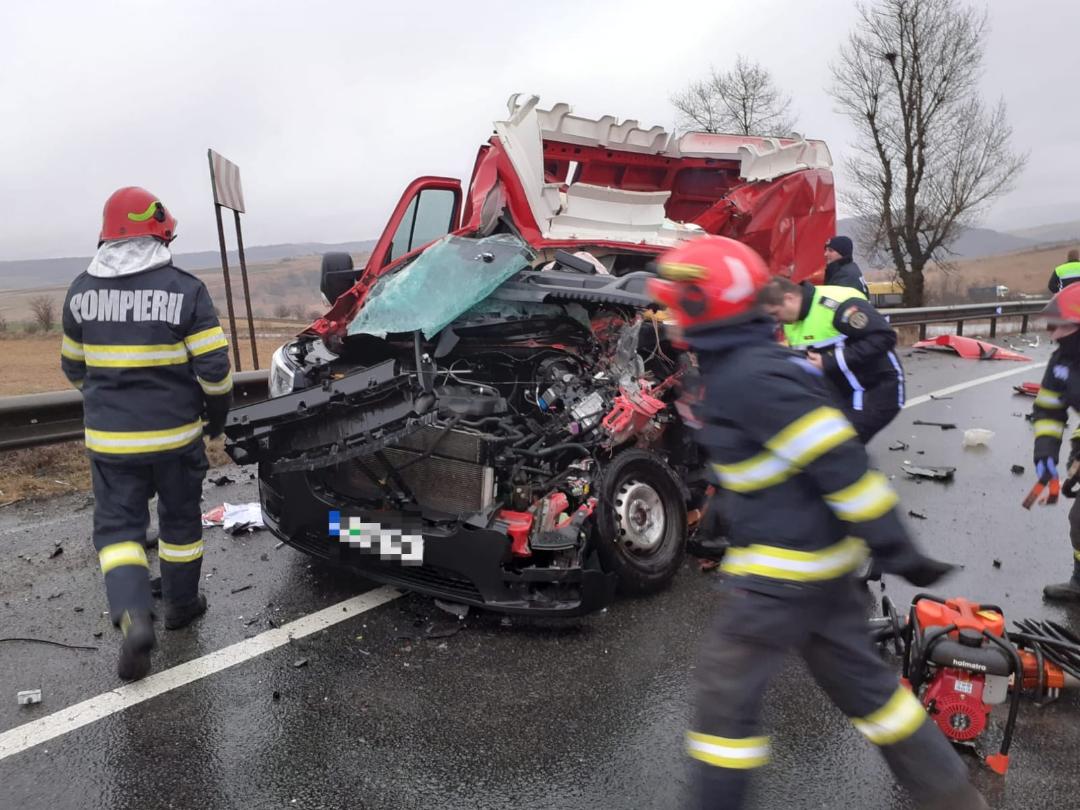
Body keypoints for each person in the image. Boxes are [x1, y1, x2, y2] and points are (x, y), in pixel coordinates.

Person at [646, 236, 985, 810]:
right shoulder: (745, 365)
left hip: (782, 576)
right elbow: (771, 466)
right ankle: (953, 798)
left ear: (708, 304)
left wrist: (898, 549)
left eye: (681, 298)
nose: (672, 311)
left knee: (723, 708)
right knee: (877, 698)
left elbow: (840, 465)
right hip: (821, 570)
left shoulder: (748, 375)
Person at [61, 187, 233, 680]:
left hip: (111, 444)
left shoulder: (80, 291)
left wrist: (108, 398)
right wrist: (215, 419)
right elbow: (216, 371)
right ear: (160, 230)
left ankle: (135, 616)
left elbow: (74, 368)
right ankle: (181, 606)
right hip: (177, 438)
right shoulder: (185, 289)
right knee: (180, 525)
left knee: (118, 533)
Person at [758, 276, 904, 443]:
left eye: (775, 313)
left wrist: (829, 361)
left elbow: (884, 336)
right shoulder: (792, 320)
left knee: (843, 446)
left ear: (789, 298)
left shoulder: (837, 305)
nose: (776, 320)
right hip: (841, 393)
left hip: (877, 387)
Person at [1029, 283, 1080, 601]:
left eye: (1059, 327)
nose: (1053, 335)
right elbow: (1049, 410)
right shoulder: (1062, 361)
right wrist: (1046, 454)